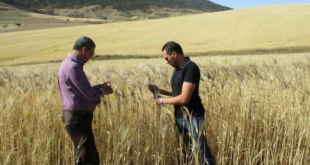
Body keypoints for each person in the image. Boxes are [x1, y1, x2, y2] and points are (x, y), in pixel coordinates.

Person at [148, 41, 214, 165]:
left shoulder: (191, 68)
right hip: (179, 117)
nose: (166, 62)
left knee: (202, 151)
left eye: (167, 58)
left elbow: (184, 98)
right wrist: (159, 90)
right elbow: (177, 92)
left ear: (174, 54)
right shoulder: (177, 69)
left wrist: (162, 101)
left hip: (193, 116)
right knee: (185, 151)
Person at [58, 36, 113, 165]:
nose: (91, 57)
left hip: (75, 117)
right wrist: (104, 91)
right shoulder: (73, 67)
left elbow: (79, 91)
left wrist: (98, 86)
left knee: (83, 156)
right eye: (91, 53)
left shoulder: (69, 64)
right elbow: (88, 95)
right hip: (77, 118)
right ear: (84, 49)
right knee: (90, 158)